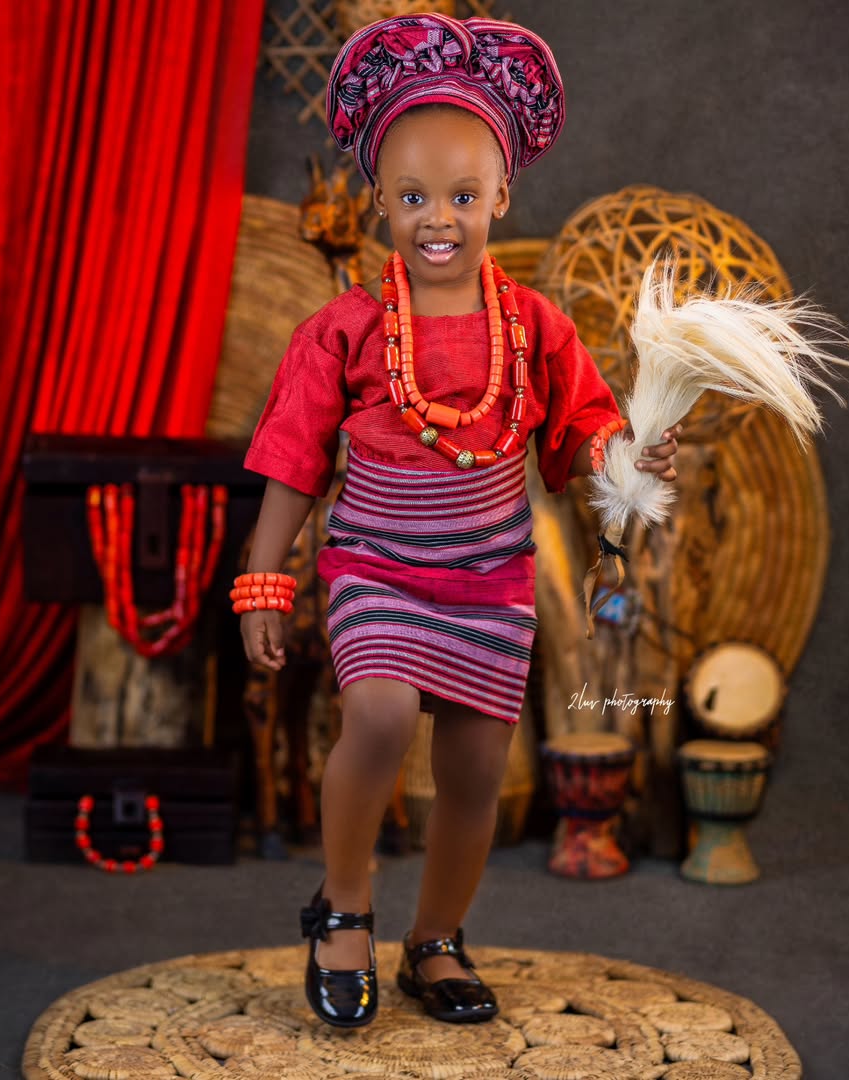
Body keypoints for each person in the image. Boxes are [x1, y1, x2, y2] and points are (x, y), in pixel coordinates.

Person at [232, 13, 680, 1029]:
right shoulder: (345, 330)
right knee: (382, 716)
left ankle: (435, 939)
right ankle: (345, 908)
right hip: (377, 569)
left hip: (490, 578)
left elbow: (584, 429)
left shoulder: (535, 328)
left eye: (464, 196)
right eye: (414, 197)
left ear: (502, 196)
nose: (439, 218)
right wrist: (265, 579)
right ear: (378, 199)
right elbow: (293, 458)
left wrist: (624, 457)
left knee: (476, 768)